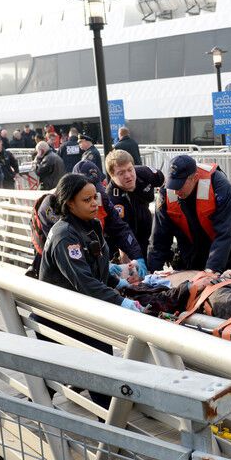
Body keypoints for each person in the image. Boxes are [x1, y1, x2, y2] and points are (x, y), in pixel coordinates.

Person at [37, 173, 143, 407]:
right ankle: (109, 416)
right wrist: (120, 302)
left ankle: (109, 405)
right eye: (87, 200)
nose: (95, 203)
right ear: (69, 204)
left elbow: (96, 269)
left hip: (82, 308)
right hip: (61, 316)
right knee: (99, 361)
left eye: (95, 197)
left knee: (100, 359)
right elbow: (84, 281)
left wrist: (118, 283)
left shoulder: (91, 225)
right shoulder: (65, 235)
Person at [148, 155, 231, 277]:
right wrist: (151, 274)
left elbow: (224, 232)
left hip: (226, 255)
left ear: (194, 178)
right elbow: (159, 238)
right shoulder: (166, 193)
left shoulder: (219, 185)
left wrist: (211, 270)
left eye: (180, 185)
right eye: (173, 185)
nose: (175, 191)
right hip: (190, 257)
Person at [105, 149, 164, 257]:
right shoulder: (112, 199)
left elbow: (165, 182)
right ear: (112, 176)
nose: (128, 175)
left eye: (130, 169)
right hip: (128, 237)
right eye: (121, 173)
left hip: (146, 227)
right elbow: (121, 237)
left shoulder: (144, 173)